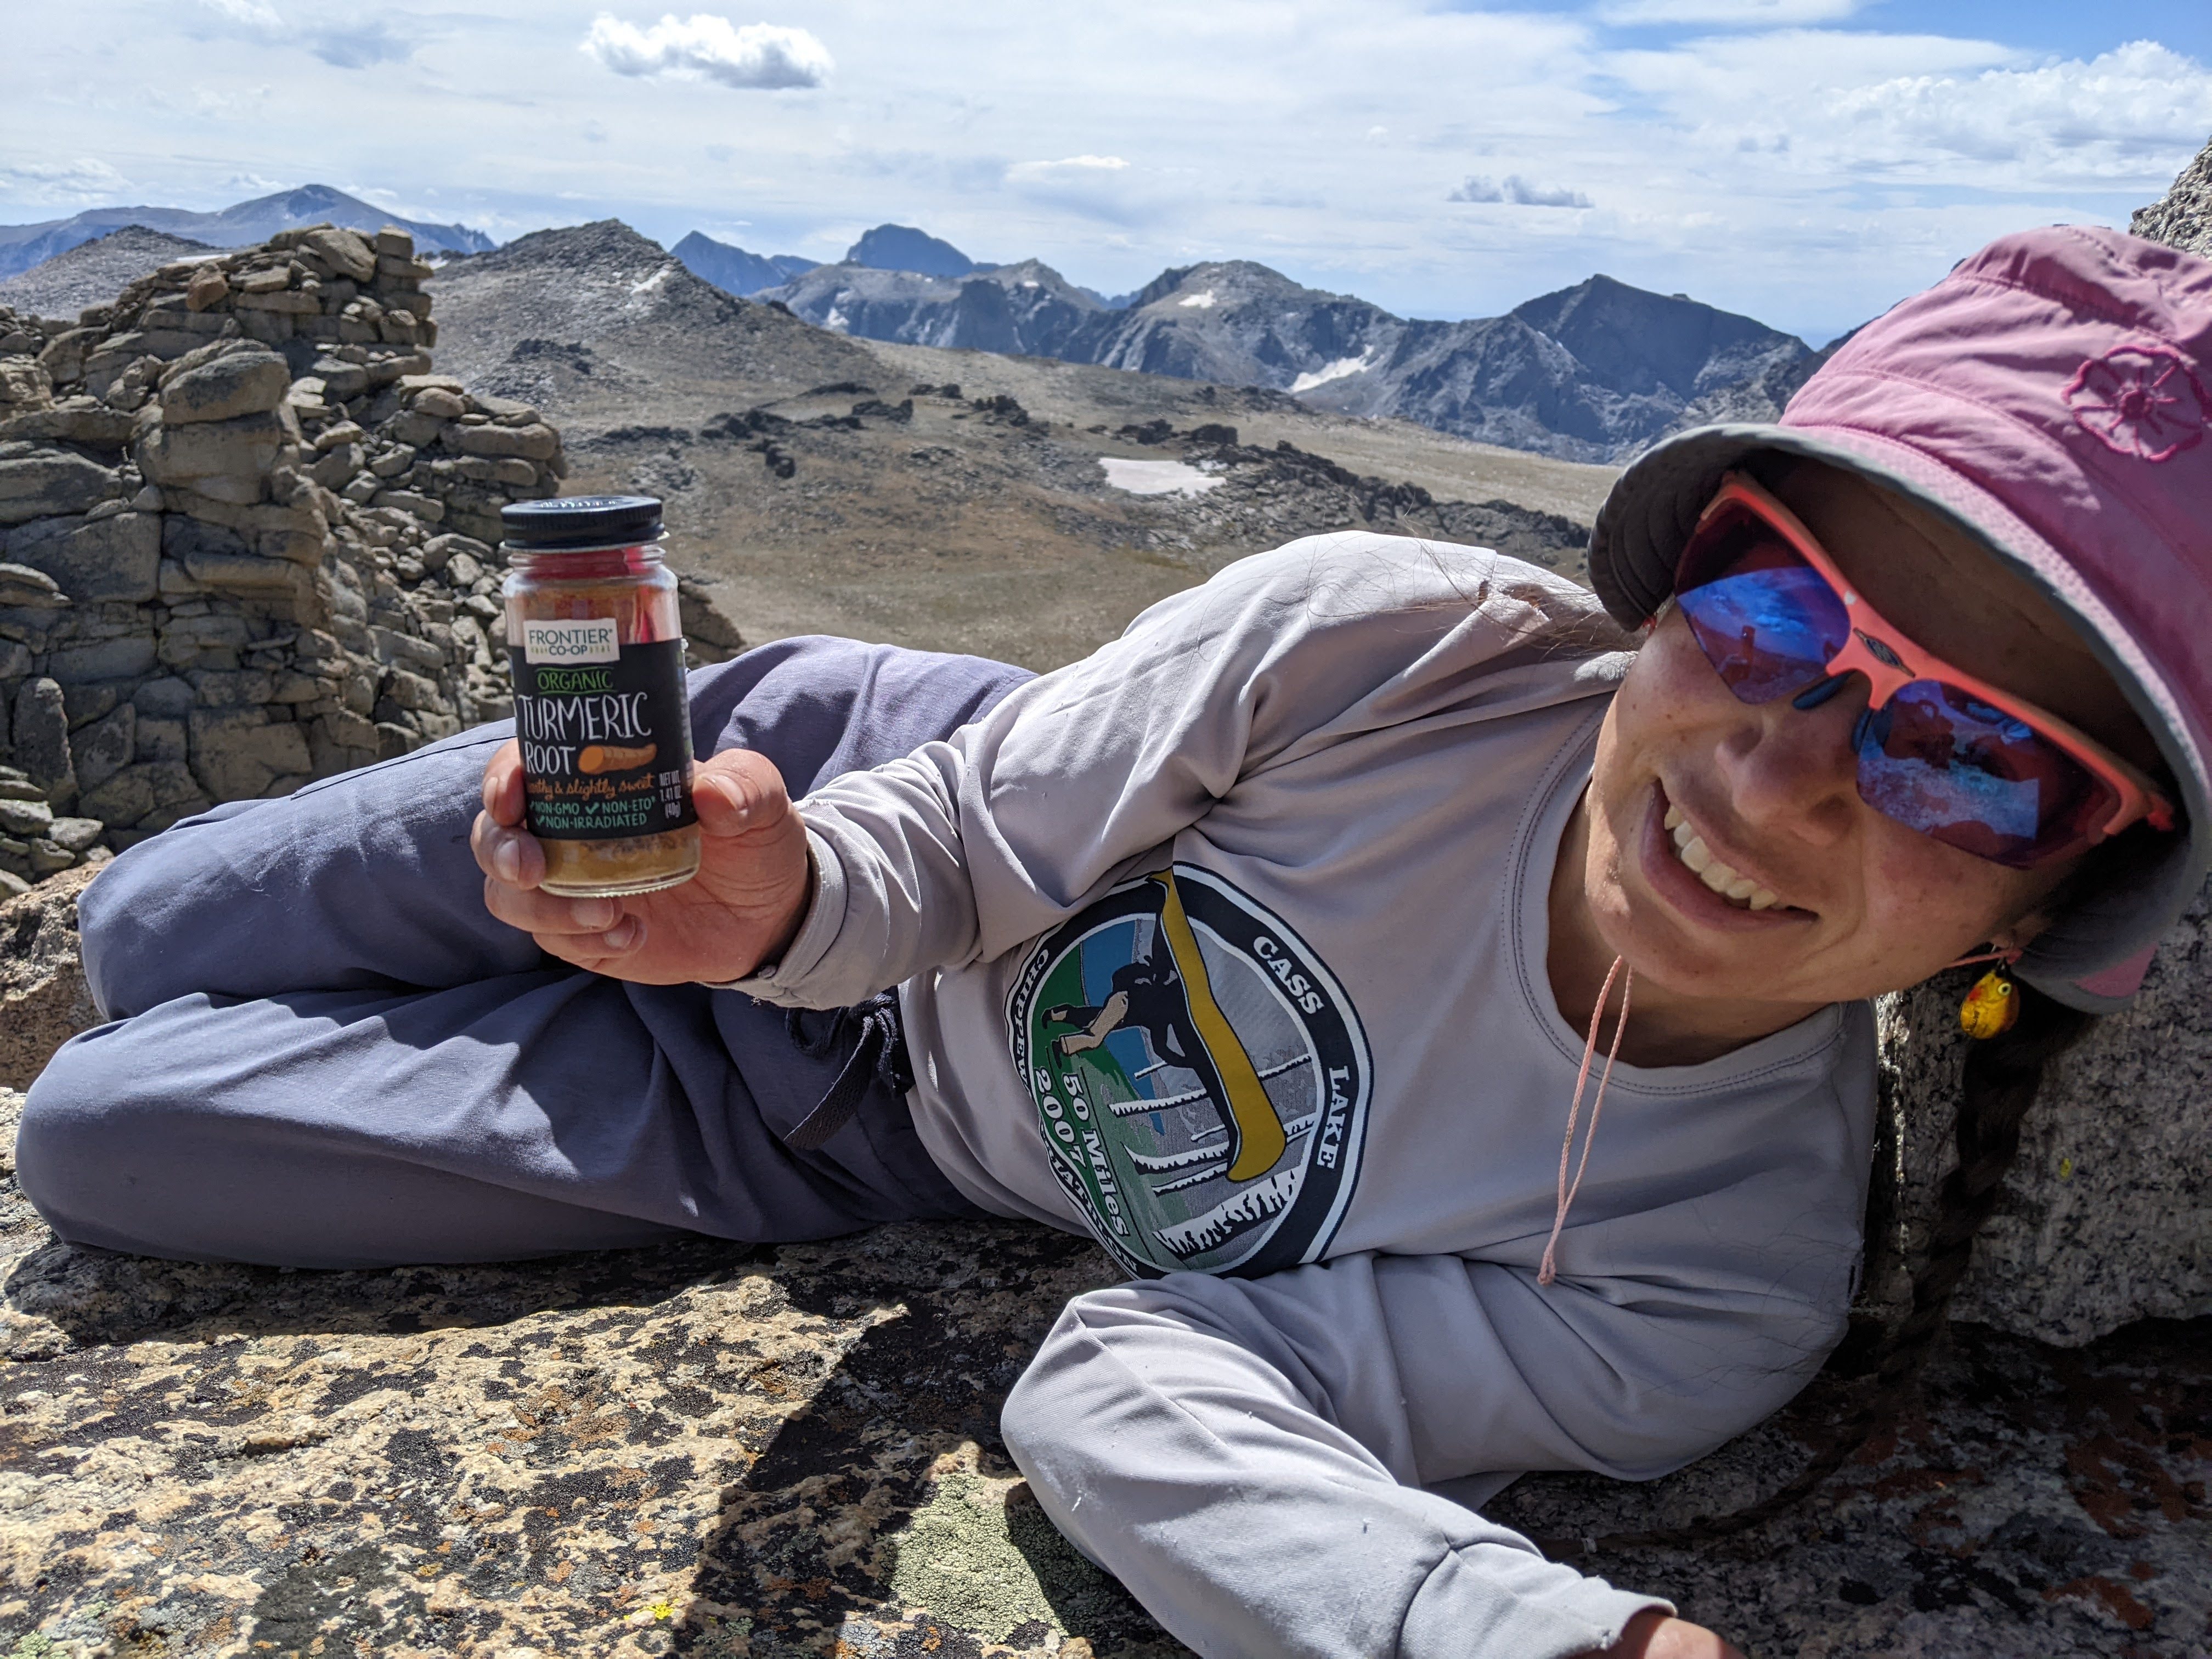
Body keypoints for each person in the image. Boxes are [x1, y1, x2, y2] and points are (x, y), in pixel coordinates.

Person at [17, 226, 2210, 1659]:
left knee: (108, 1138)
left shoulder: (1706, 1281)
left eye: (1973, 759)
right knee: (140, 925)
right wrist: (779, 894)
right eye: (1769, 614)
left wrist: (1535, 1637)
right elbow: (971, 832)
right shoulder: (1395, 639)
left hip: (824, 1132)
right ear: (1671, 585)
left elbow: (1143, 1382)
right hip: (834, 802)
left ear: (2059, 899)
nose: (1782, 774)